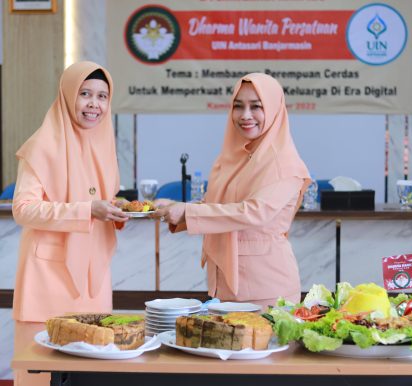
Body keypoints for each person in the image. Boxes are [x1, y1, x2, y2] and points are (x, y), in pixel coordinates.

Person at [12, 61, 128, 385]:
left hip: (92, 285)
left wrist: (115, 211)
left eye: (102, 96)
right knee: (40, 375)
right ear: (67, 96)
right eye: (85, 94)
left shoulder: (103, 146)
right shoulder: (41, 146)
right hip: (48, 282)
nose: (94, 104)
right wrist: (88, 210)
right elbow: (23, 209)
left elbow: (98, 201)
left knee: (90, 375)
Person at [153, 73, 311, 308]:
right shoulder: (234, 157)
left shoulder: (284, 163)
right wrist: (173, 207)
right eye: (238, 107)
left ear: (275, 109)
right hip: (224, 286)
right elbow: (218, 204)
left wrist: (188, 212)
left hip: (266, 288)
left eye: (256, 107)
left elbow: (254, 213)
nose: (245, 115)